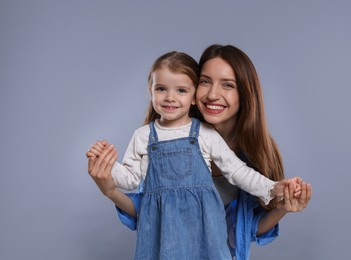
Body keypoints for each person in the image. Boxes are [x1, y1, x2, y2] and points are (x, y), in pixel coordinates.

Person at [87, 45, 312, 260]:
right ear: (151, 91)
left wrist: (273, 190)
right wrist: (108, 171)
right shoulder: (145, 137)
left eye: (228, 85)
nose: (213, 94)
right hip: (162, 245)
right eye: (206, 81)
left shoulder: (208, 136)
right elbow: (136, 191)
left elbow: (238, 179)